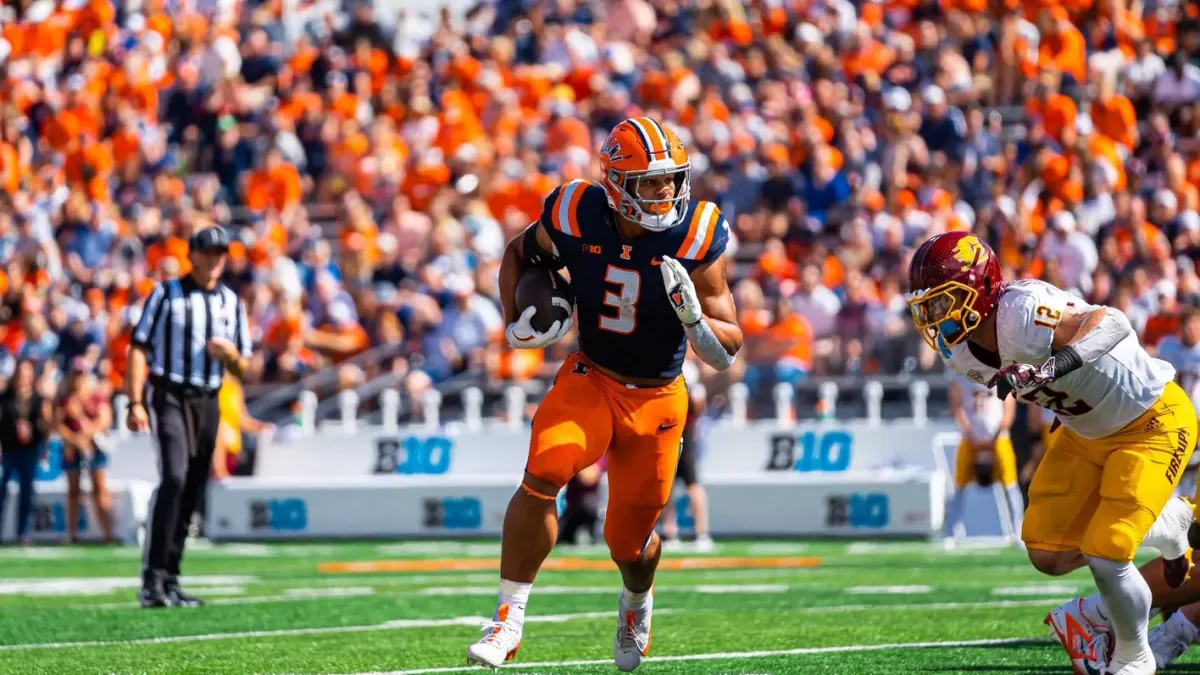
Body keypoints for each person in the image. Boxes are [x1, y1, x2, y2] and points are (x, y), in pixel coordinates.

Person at [466, 117, 742, 671]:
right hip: (592, 375)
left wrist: (694, 321)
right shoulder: (576, 210)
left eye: (672, 179)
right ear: (616, 183)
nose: (667, 192)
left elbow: (728, 348)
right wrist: (514, 318)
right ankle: (507, 618)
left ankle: (637, 601)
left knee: (629, 543)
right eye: (651, 182)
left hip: (660, 396)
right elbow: (521, 255)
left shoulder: (696, 232)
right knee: (544, 470)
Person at [905, 231, 1195, 675]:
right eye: (928, 306)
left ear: (980, 289)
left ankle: (1133, 657)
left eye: (944, 302)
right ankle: (1169, 522)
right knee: (1048, 551)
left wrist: (1055, 366)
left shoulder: (1021, 310)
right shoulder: (959, 353)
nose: (935, 317)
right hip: (1084, 429)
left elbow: (1115, 323)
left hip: (1150, 418)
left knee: (1107, 551)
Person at [126, 226, 252, 608]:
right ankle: (152, 577)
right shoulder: (166, 294)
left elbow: (244, 367)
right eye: (208, 253)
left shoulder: (231, 302)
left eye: (220, 254)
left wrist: (229, 355)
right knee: (175, 477)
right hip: (169, 394)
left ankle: (172, 576)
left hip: (209, 399)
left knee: (194, 485)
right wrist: (135, 401)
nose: (215, 260)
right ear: (192, 256)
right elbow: (138, 346)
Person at [942, 373, 1023, 548]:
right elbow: (956, 406)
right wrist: (972, 436)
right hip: (970, 438)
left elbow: (1009, 406)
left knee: (1010, 486)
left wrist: (993, 438)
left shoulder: (1000, 369)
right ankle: (950, 533)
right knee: (959, 486)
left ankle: (1018, 532)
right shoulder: (960, 372)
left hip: (998, 437)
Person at [57, 363, 115, 543]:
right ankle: (72, 533)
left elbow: (105, 419)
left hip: (95, 447)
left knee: (99, 488)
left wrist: (84, 431)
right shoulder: (66, 399)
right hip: (73, 449)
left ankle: (108, 534)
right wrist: (75, 440)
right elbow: (57, 424)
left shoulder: (97, 398)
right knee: (73, 490)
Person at [659, 360, 714, 551]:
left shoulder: (686, 373)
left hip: (679, 432)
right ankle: (672, 531)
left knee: (690, 483)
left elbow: (697, 405)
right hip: (670, 431)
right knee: (668, 485)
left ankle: (700, 532)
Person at [0, 359, 51, 544]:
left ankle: (23, 532)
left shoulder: (37, 399)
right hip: (9, 449)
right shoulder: (6, 396)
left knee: (26, 493)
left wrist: (43, 440)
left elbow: (47, 424)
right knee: (1, 491)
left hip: (29, 450)